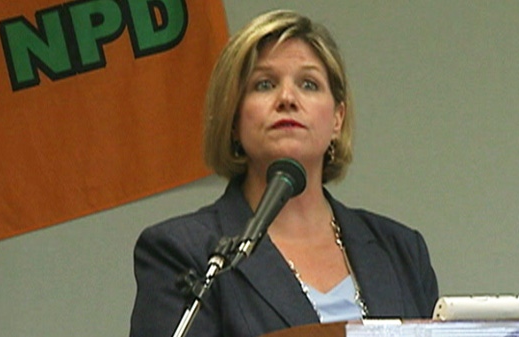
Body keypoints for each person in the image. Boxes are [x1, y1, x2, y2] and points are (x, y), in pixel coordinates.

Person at [129, 9, 438, 337]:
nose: (287, 98)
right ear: (233, 119)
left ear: (337, 119)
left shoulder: (401, 249)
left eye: (309, 84)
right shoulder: (186, 252)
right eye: (264, 84)